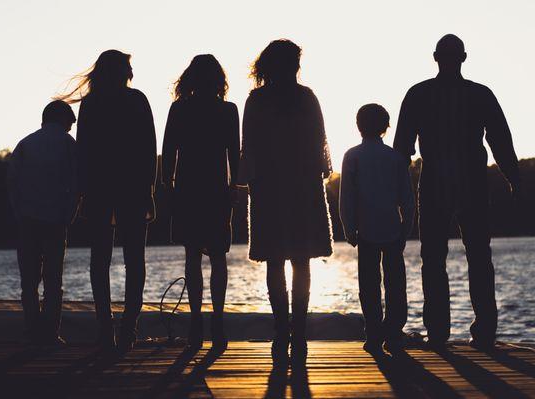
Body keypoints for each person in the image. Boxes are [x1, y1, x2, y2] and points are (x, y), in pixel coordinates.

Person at [394, 34, 520, 351]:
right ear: (464, 57)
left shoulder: (418, 94)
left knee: (434, 258)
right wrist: (513, 178)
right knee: (478, 256)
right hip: (471, 181)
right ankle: (484, 331)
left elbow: (402, 149)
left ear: (436, 57)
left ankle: (438, 331)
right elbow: (501, 142)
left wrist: (396, 189)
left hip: (436, 180)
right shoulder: (479, 94)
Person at [239, 39, 333, 366]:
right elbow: (320, 142)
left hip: (269, 188)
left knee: (276, 260)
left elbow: (247, 146)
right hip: (300, 186)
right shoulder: (306, 98)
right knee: (299, 259)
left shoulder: (257, 100)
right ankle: (298, 331)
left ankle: (283, 331)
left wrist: (251, 178)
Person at [57, 50, 157, 352]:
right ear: (125, 70)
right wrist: (149, 190)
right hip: (133, 188)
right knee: (134, 260)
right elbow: (149, 147)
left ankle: (105, 328)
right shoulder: (137, 100)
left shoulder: (91, 103)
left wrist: (82, 192)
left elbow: (84, 151)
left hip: (100, 189)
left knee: (99, 260)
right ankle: (129, 328)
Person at [162, 54, 240, 350]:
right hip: (216, 188)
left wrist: (166, 184)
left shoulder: (179, 109)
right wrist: (237, 185)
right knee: (219, 257)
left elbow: (169, 151)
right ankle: (217, 321)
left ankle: (196, 321)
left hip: (187, 188)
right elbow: (235, 152)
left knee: (192, 255)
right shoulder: (228, 110)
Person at [339, 104, 415, 354]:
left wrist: (348, 228)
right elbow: (407, 198)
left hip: (366, 231)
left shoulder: (353, 156)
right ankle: (393, 333)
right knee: (395, 284)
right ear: (386, 127)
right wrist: (407, 228)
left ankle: (373, 334)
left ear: (358, 126)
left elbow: (346, 197)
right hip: (393, 229)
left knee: (369, 285)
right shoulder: (395, 157)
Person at [7, 100, 78, 346]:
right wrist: (70, 212)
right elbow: (77, 183)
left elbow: (12, 182)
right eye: (70, 120)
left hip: (27, 220)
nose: (73, 124)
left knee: (29, 280)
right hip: (56, 220)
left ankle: (32, 330)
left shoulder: (25, 144)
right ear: (62, 119)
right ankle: (50, 333)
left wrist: (18, 212)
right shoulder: (69, 145)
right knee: (53, 280)